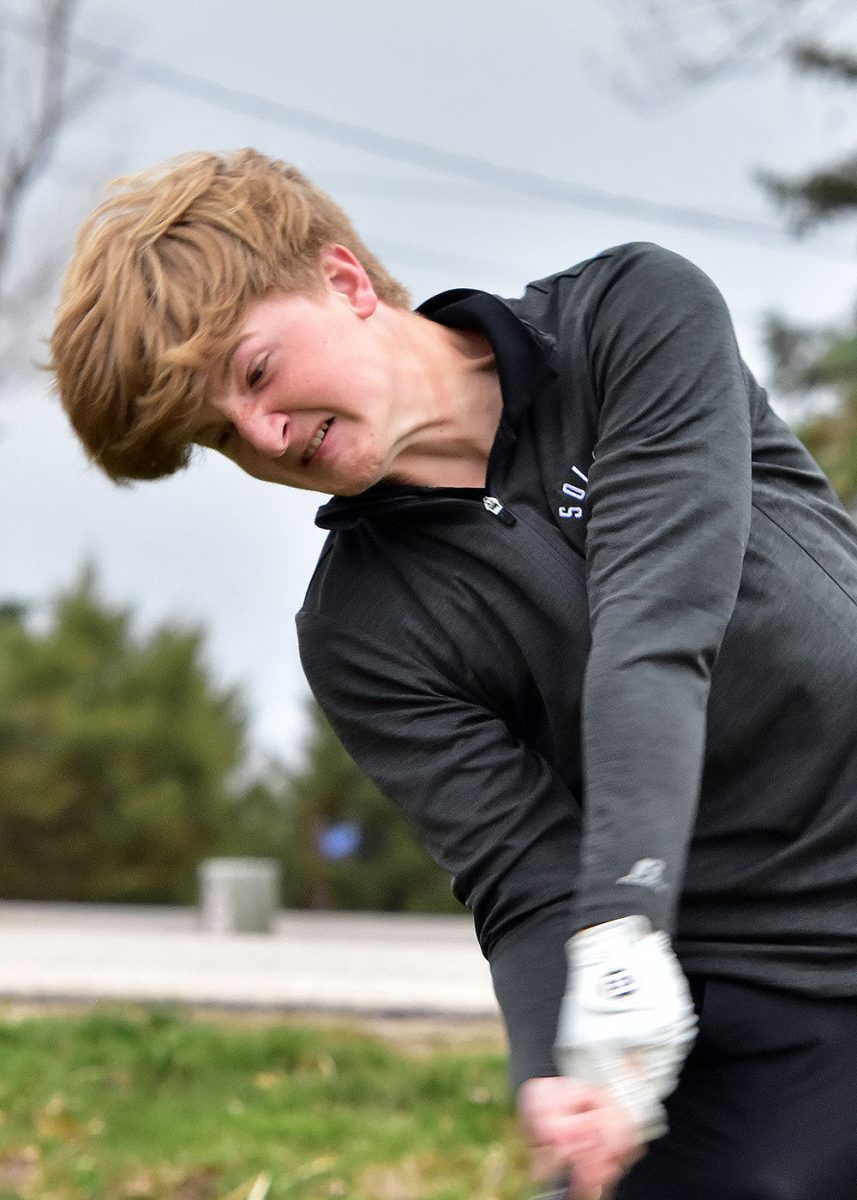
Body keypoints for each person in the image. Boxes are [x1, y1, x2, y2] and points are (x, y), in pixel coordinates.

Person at [50, 149, 857, 1199]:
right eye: (219, 435)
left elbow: (652, 634)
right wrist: (549, 1070)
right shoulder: (359, 630)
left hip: (661, 921)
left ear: (341, 281)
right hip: (741, 984)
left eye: (252, 375)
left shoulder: (627, 320)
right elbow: (520, 876)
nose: (262, 437)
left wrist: (619, 917)